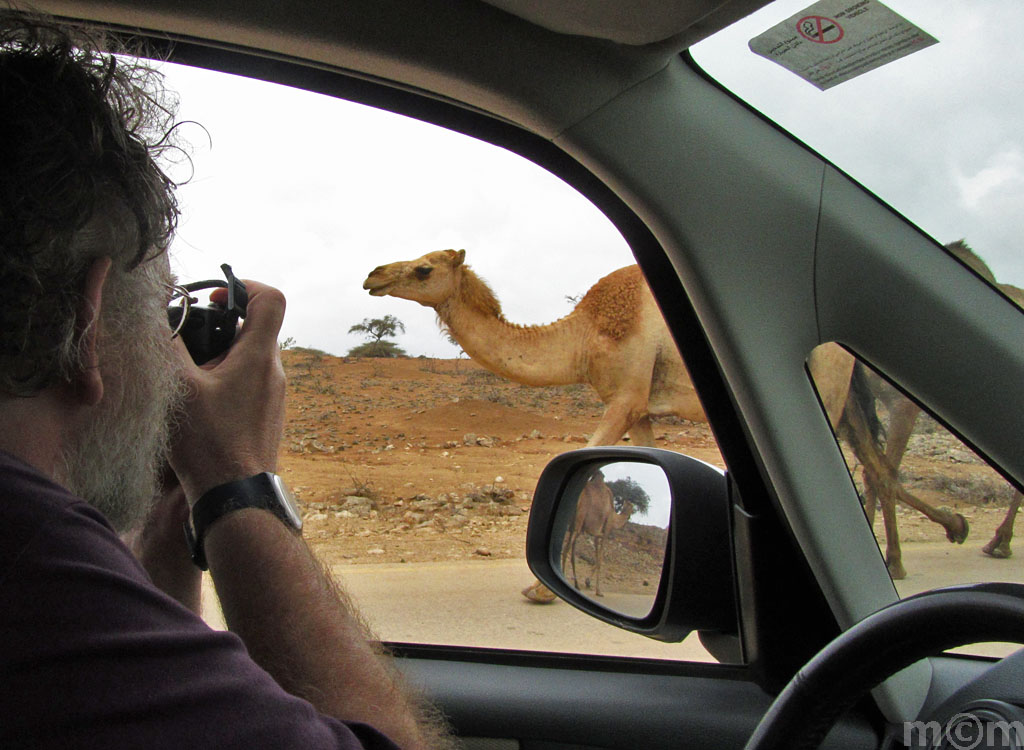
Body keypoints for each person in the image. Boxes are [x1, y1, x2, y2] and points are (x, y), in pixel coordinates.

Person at [0, 11, 450, 749]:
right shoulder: (26, 561)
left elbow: (141, 698)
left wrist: (173, 520)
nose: (168, 349)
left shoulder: (45, 590)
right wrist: (233, 479)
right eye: (158, 313)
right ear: (86, 330)